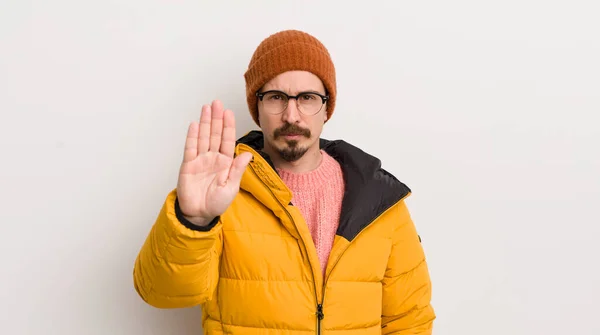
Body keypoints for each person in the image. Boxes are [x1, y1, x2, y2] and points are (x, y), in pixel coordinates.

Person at [133, 29, 436, 334]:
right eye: (276, 97)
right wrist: (194, 221)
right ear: (257, 108)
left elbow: (410, 320)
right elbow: (160, 292)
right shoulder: (222, 189)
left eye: (307, 97)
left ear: (326, 107)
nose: (292, 115)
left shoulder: (380, 201)